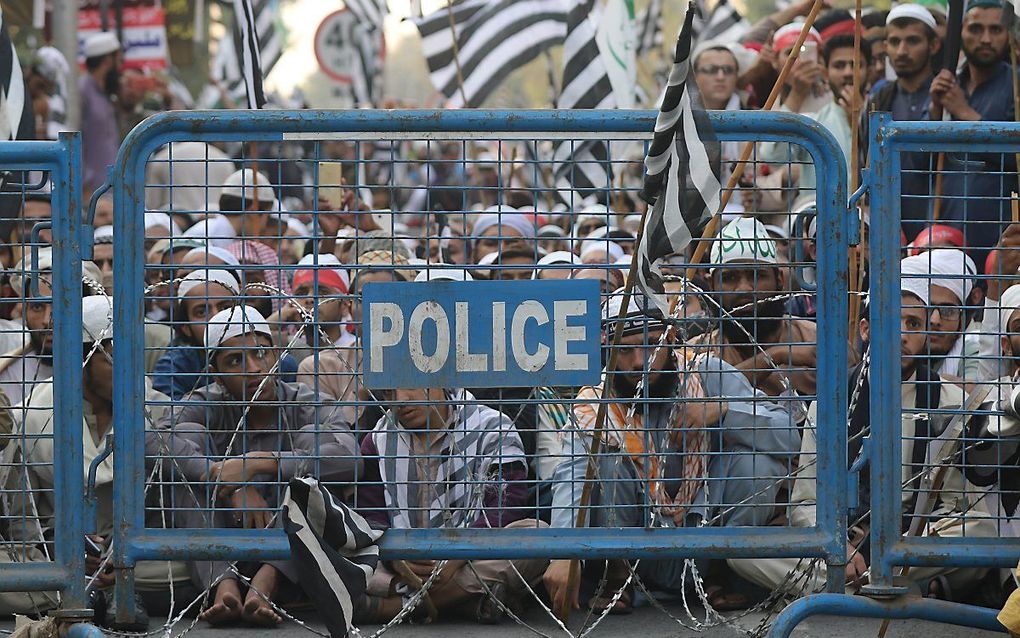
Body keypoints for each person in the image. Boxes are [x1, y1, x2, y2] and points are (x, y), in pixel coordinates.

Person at [730, 265, 994, 599]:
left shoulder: (951, 401)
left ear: (926, 333)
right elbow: (805, 503)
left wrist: (911, 544)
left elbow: (958, 506)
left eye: (913, 324)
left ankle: (861, 585)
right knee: (736, 550)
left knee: (981, 531)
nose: (901, 335)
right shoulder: (832, 403)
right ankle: (892, 586)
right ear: (866, 329)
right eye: (889, 320)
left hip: (914, 543)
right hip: (844, 547)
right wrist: (841, 545)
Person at [543, 289, 800, 614]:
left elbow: (791, 437)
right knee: (606, 460)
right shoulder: (596, 405)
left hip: (704, 534)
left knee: (757, 462)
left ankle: (718, 571)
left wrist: (722, 412)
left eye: (651, 345)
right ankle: (615, 575)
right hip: (634, 540)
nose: (639, 362)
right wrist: (564, 553)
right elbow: (572, 476)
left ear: (672, 339)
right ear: (607, 349)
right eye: (626, 350)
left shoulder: (707, 375)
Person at [147, 305, 360, 626]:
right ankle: (224, 585)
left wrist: (259, 464)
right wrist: (221, 478)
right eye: (235, 361)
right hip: (221, 536)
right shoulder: (208, 403)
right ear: (216, 373)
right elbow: (152, 441)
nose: (253, 368)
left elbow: (348, 457)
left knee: (314, 451)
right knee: (185, 440)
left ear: (275, 355)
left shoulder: (304, 402)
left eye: (261, 354)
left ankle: (267, 580)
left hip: (290, 547)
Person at [1, 296, 192, 625]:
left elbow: (174, 510)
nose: (129, 369)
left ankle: (101, 590)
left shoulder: (159, 412)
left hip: (138, 554)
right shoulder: (31, 417)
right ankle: (95, 592)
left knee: (205, 565)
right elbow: (23, 518)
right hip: (56, 554)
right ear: (81, 359)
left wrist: (125, 555)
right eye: (115, 356)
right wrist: (59, 545)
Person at [355, 386, 547, 624]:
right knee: (348, 553)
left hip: (473, 554)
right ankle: (464, 600)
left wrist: (457, 556)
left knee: (537, 535)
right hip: (404, 561)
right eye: (388, 394)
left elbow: (506, 507)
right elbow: (371, 516)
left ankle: (393, 608)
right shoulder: (378, 439)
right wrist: (396, 557)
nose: (400, 400)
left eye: (410, 385)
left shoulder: (491, 427)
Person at [932, 0, 1016, 256]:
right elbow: (920, 164)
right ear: (961, 32)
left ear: (1008, 34)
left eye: (996, 30)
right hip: (946, 229)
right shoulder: (949, 85)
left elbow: (1015, 157)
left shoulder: (1016, 85)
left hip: (1002, 234)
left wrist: (965, 113)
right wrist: (936, 111)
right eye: (976, 29)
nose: (986, 39)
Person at [860, 4, 942, 236]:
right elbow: (864, 166)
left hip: (938, 227)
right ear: (886, 46)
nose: (902, 51)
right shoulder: (878, 100)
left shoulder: (947, 96)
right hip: (888, 227)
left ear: (933, 45)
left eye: (913, 41)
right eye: (895, 42)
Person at [0, 249, 102, 405]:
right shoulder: (8, 373)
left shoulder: (106, 375)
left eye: (62, 308)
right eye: (37, 307)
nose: (48, 320)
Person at [151, 269, 240, 400]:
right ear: (186, 327)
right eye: (202, 312)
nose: (217, 318)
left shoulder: (267, 355)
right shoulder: (174, 367)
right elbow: (173, 416)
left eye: (226, 308)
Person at [183, 169, 278, 248]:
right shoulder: (206, 236)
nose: (264, 226)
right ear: (253, 211)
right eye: (267, 216)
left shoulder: (227, 236)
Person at [79, 32, 122, 195]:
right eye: (118, 61)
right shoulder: (82, 91)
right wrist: (84, 179)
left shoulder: (106, 93)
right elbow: (74, 136)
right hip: (90, 188)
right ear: (107, 61)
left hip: (110, 185)